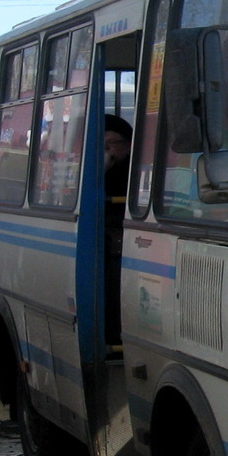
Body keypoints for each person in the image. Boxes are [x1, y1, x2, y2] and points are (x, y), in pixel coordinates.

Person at [103, 114, 132, 345]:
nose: (109, 150)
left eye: (113, 143)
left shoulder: (133, 170)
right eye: (103, 145)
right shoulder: (94, 169)